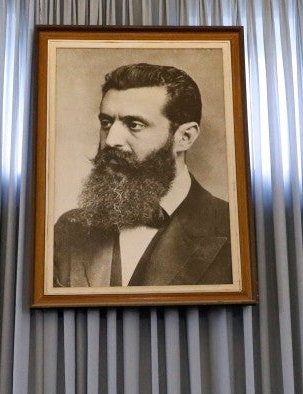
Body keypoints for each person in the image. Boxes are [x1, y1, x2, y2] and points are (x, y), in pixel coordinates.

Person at [53, 63, 232, 288]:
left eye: (134, 125)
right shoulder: (70, 228)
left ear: (185, 137)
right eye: (106, 123)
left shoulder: (231, 229)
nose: (111, 140)